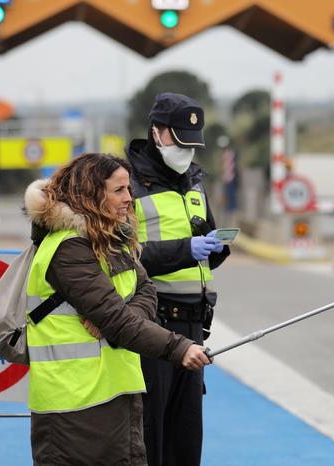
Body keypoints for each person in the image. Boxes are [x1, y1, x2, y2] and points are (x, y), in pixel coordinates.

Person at [23, 153, 211, 465]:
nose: (129, 198)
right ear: (91, 194)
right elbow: (115, 318)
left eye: (129, 189)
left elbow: (146, 291)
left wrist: (116, 323)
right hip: (73, 404)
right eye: (119, 190)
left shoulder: (111, 238)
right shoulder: (69, 247)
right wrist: (179, 347)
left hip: (115, 393)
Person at [126, 92, 231, 466]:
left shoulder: (194, 182)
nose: (185, 151)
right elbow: (122, 259)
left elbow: (203, 249)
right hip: (152, 323)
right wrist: (187, 249)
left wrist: (215, 247)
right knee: (150, 438)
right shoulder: (128, 186)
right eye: (179, 141)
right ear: (156, 132)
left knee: (185, 442)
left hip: (194, 324)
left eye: (191, 144)